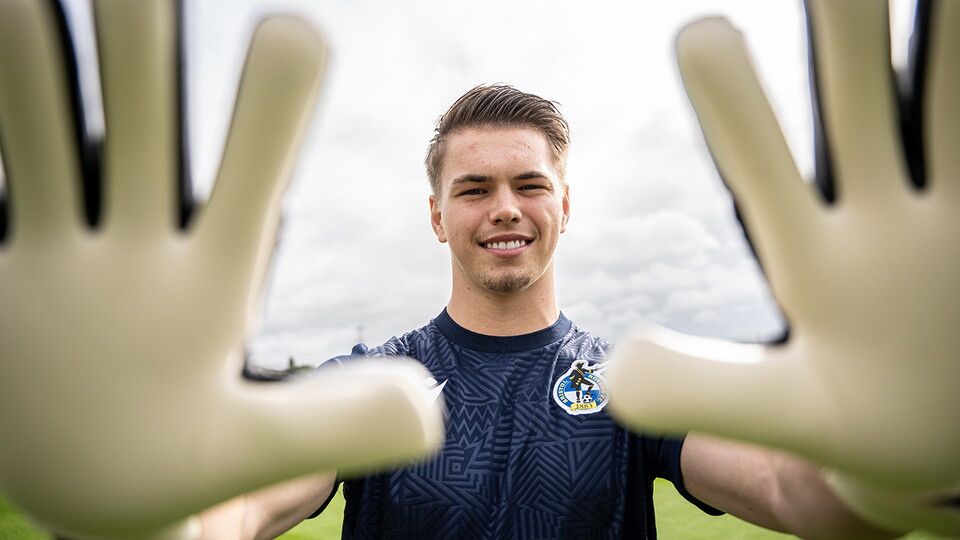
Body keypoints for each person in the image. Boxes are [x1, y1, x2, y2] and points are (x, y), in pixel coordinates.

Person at [197, 85, 896, 539]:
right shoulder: (370, 384)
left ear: (565, 206)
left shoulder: (633, 384)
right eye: (474, 189)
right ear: (438, 217)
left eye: (530, 183)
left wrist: (888, 451)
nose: (505, 206)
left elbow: (793, 495)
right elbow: (247, 508)